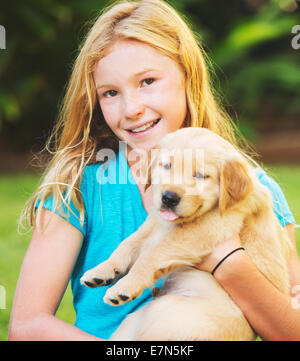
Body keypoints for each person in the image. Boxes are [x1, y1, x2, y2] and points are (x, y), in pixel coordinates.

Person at [9, 0, 300, 341]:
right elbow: (26, 327)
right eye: (111, 92)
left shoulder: (251, 188)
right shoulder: (78, 183)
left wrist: (225, 259)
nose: (131, 108)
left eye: (147, 81)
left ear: (188, 76)